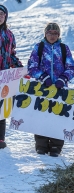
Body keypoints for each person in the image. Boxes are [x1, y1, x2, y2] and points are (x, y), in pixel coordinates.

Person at [27, 22, 74, 157]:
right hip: (42, 89)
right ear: (45, 34)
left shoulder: (64, 49)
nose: (52, 35)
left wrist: (63, 79)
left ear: (59, 35)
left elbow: (71, 68)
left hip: (60, 90)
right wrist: (42, 77)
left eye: (55, 33)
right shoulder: (39, 47)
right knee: (41, 116)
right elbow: (31, 66)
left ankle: (56, 145)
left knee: (58, 117)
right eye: (50, 33)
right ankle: (41, 144)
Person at [0, 4, 23, 149]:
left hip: (4, 77)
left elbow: (11, 54)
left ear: (5, 17)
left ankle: (0, 138)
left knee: (1, 109)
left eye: (2, 14)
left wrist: (20, 68)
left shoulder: (9, 34)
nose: (0, 16)